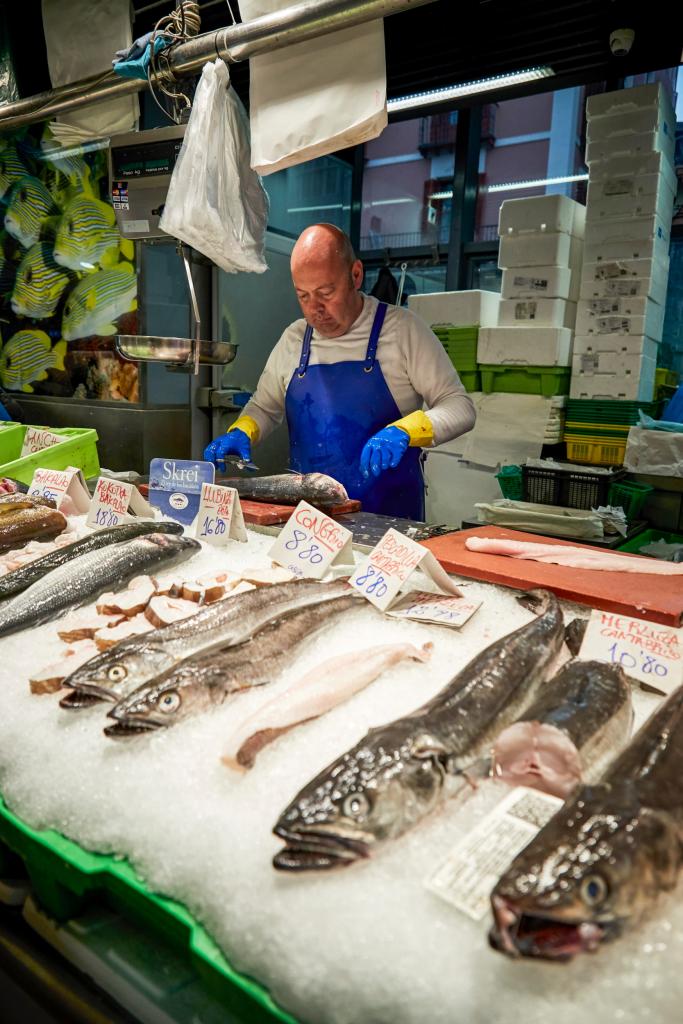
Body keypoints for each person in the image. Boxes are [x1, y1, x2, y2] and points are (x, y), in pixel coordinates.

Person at [204, 224, 476, 520]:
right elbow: (265, 407)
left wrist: (406, 430)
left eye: (326, 293)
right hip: (311, 525)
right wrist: (243, 430)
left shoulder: (402, 330)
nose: (314, 310)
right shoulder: (294, 339)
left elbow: (460, 407)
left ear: (356, 275)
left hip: (391, 518)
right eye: (303, 296)